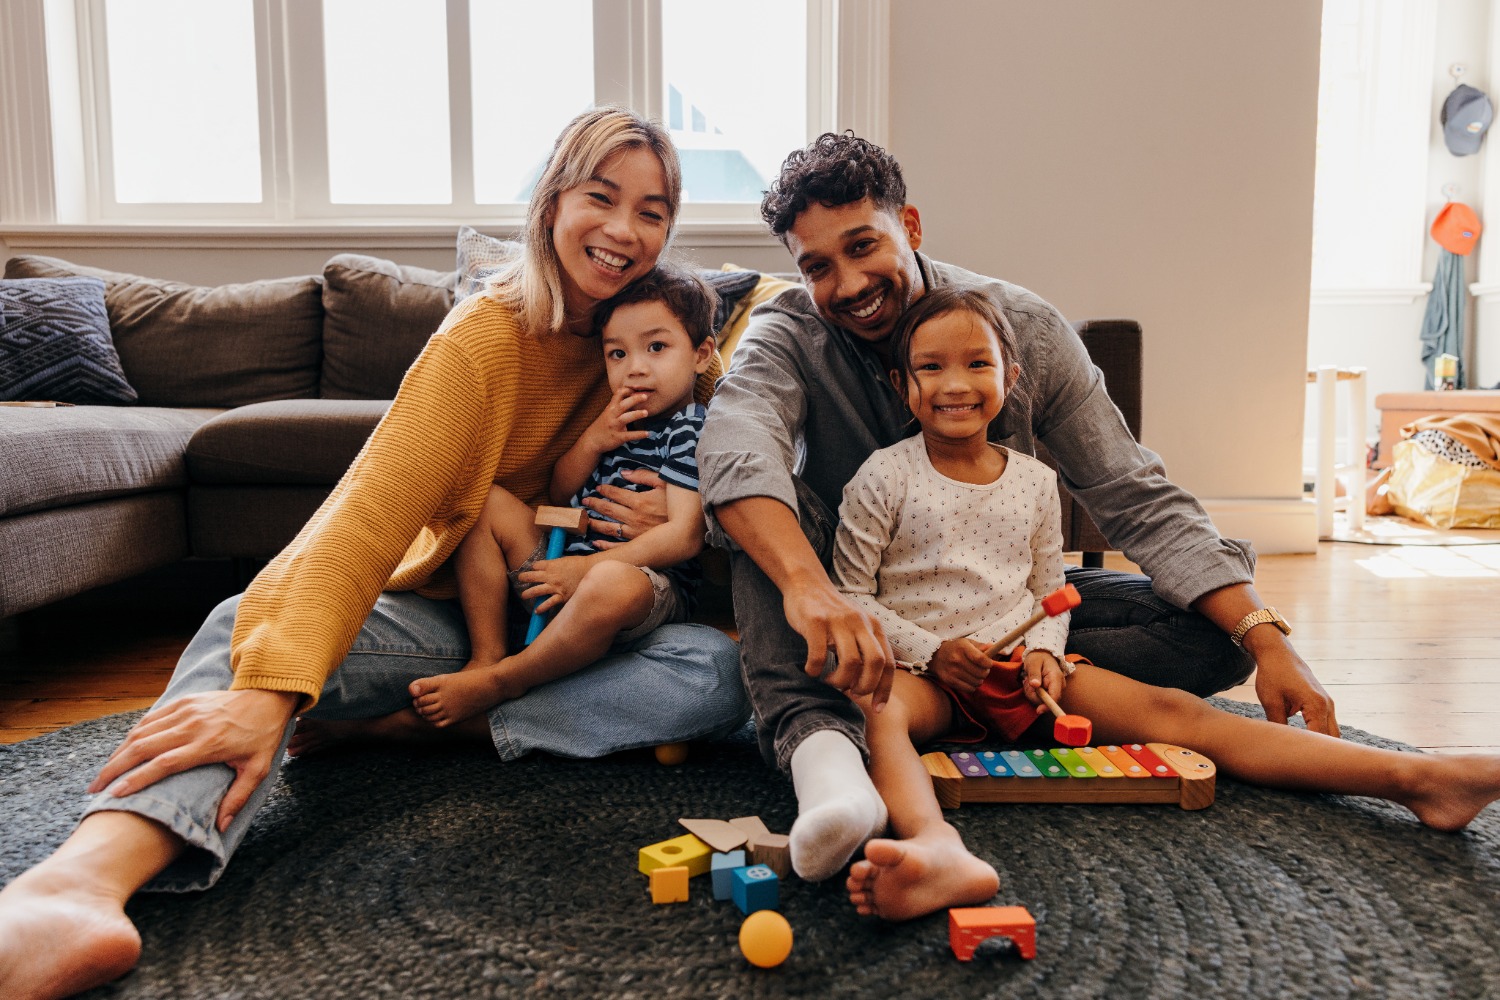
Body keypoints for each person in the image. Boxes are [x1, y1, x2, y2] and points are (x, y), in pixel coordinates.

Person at [0, 107, 749, 1000]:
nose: (625, 231)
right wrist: (270, 691)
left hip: (586, 630)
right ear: (553, 201)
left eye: (654, 211)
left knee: (714, 674)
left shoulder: (649, 337)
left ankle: (456, 724)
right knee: (246, 629)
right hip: (459, 614)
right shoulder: (481, 337)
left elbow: (747, 364)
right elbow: (367, 511)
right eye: (602, 197)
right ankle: (83, 881)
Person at [696, 132, 1339, 883]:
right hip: (863, 616)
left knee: (1215, 635)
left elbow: (1133, 494)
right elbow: (736, 451)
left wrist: (1266, 637)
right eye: (817, 267)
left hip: (1001, 611)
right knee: (764, 522)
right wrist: (811, 591)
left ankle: (975, 699)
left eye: (863, 246)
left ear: (910, 228)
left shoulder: (1022, 327)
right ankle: (827, 758)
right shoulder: (787, 337)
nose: (848, 282)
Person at [833, 285, 1500, 922]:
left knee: (1179, 713)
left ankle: (1418, 779)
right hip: (924, 677)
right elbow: (851, 599)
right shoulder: (883, 477)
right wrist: (932, 653)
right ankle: (935, 846)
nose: (956, 383)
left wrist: (1042, 650)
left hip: (1023, 676)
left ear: (1010, 378)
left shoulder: (1036, 484)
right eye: (931, 366)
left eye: (977, 363)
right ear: (903, 385)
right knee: (879, 713)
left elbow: (1050, 591)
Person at [407, 264, 720, 726]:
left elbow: (684, 538)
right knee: (484, 500)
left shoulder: (690, 428)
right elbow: (559, 491)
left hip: (639, 589)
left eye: (656, 347)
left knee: (611, 583)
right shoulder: (615, 419)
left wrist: (585, 570)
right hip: (560, 569)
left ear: (701, 354)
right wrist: (594, 438)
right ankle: (487, 655)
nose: (635, 368)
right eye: (617, 354)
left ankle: (509, 678)